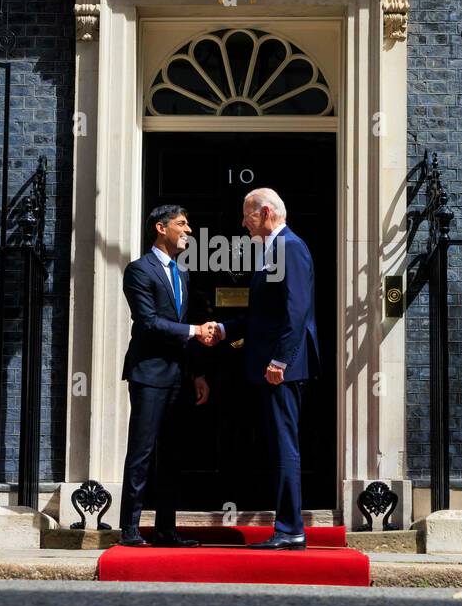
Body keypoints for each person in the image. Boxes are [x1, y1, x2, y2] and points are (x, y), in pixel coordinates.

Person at [203, 187, 319, 550]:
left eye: (247, 214)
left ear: (266, 212)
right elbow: (262, 314)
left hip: (282, 368)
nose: (242, 222)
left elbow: (296, 310)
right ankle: (288, 526)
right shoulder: (273, 251)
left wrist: (281, 360)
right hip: (273, 364)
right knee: (277, 445)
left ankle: (290, 529)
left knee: (285, 446)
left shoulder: (290, 247)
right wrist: (225, 329)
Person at [118, 204, 218, 548]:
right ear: (161, 228)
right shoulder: (138, 270)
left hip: (177, 376)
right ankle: (129, 529)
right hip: (148, 374)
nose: (188, 229)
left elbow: (181, 328)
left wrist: (197, 374)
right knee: (142, 452)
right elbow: (148, 322)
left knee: (172, 455)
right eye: (182, 223)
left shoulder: (182, 274)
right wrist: (194, 329)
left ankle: (165, 529)